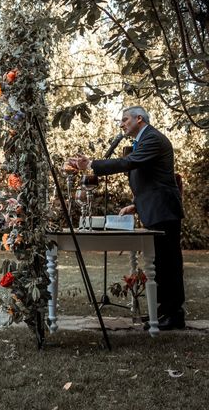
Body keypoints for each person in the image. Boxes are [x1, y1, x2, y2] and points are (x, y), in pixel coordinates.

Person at [68, 105, 185, 331]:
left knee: (169, 262)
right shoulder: (143, 141)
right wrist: (136, 204)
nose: (121, 124)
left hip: (164, 210)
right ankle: (162, 312)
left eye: (125, 119)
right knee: (159, 262)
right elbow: (150, 181)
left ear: (139, 119)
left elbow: (129, 163)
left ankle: (174, 315)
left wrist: (92, 164)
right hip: (155, 208)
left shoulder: (152, 138)